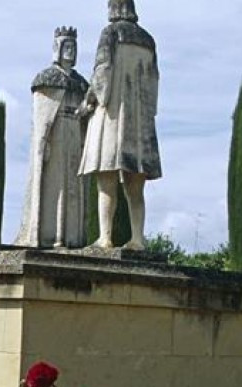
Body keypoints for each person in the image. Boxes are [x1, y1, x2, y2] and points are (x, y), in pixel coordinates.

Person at [79, 0, 162, 250]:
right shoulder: (148, 40)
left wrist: (89, 101)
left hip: (113, 115)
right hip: (140, 122)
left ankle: (105, 237)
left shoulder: (111, 33)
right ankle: (137, 238)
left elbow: (102, 73)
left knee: (106, 180)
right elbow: (154, 81)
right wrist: (148, 112)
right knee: (136, 186)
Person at [16, 27, 90, 249]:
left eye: (73, 47)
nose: (70, 51)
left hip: (74, 137)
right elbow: (42, 118)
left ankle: (71, 237)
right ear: (57, 48)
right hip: (56, 137)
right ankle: (53, 236)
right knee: (56, 187)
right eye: (67, 46)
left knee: (74, 188)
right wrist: (44, 142)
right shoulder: (47, 79)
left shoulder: (81, 83)